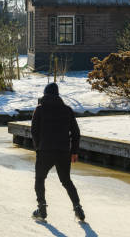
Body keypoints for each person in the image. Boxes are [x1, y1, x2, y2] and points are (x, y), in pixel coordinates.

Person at [31, 82, 85, 222]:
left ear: (45, 94)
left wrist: (38, 147)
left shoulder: (40, 109)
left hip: (45, 151)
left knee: (40, 179)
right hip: (63, 152)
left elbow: (34, 131)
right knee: (66, 181)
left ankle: (42, 209)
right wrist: (74, 151)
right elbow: (76, 133)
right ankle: (78, 207)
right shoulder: (67, 110)